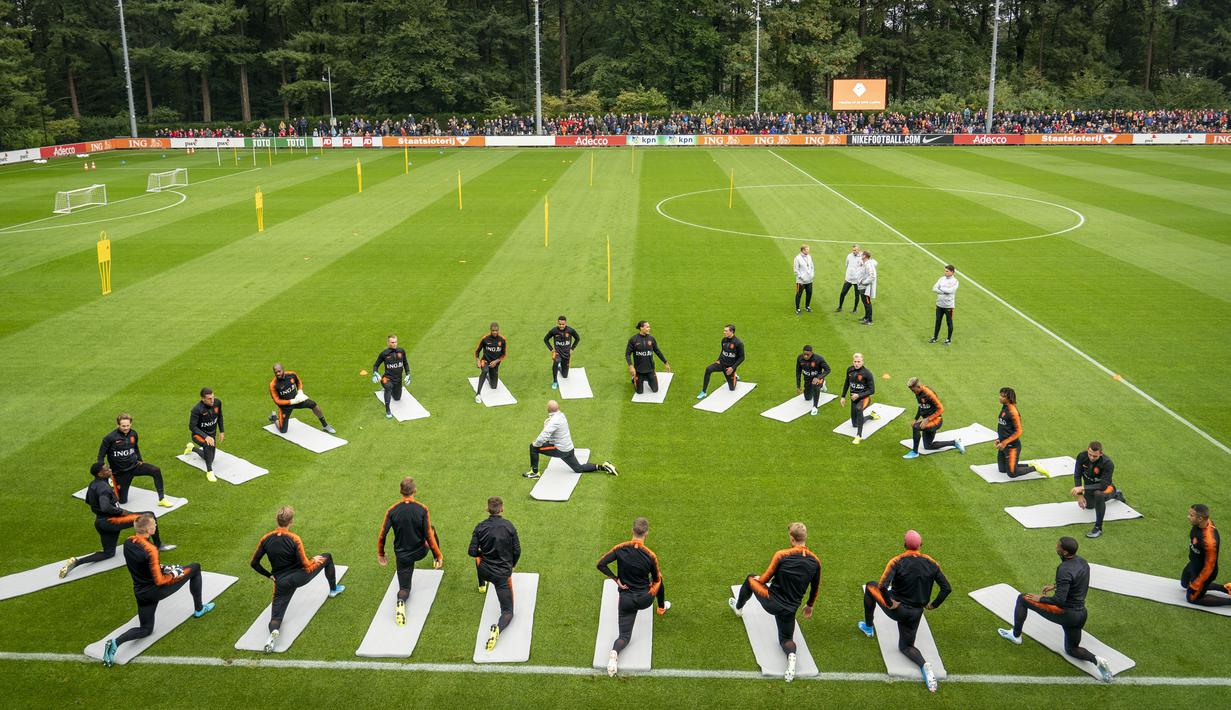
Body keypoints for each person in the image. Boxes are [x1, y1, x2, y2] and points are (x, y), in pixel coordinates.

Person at [100, 513, 213, 667]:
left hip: (140, 592)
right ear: (147, 530)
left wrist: (164, 567)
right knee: (195, 567)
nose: (156, 525)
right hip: (156, 590)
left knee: (146, 629)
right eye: (153, 524)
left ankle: (115, 642)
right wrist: (174, 573)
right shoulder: (151, 549)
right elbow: (160, 581)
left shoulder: (128, 542)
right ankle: (199, 609)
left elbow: (143, 565)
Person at [997, 537, 1113, 683]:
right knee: (1071, 649)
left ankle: (1015, 636)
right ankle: (1097, 660)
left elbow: (1059, 600)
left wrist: (1041, 598)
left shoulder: (1064, 569)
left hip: (1066, 613)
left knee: (1022, 599)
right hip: (1081, 615)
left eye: (1058, 546)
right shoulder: (1083, 562)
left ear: (1064, 552)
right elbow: (1075, 581)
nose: (1056, 546)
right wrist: (1056, 585)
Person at [857, 530, 951, 693]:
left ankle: (868, 627)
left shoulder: (897, 561)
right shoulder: (932, 563)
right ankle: (924, 666)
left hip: (898, 609)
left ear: (904, 544)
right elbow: (946, 588)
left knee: (871, 587)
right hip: (916, 613)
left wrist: (889, 603)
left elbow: (882, 586)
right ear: (921, 545)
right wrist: (933, 605)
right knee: (906, 647)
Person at [728, 522, 821, 683]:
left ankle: (738, 608)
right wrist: (809, 605)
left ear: (792, 539)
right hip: (790, 609)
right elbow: (815, 587)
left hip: (771, 601)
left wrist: (758, 579)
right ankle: (791, 658)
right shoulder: (816, 562)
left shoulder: (781, 555)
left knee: (750, 579)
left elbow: (764, 579)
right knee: (786, 640)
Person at [250, 506, 345, 653]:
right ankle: (333, 589)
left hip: (281, 582)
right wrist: (314, 559)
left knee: (276, 617)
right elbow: (306, 564)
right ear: (291, 521)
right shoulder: (294, 539)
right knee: (327, 557)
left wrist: (269, 575)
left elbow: (254, 563)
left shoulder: (265, 539)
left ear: (277, 520)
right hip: (301, 576)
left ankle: (273, 633)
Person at [60, 463, 172, 579]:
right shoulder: (103, 488)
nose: (110, 470)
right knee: (149, 516)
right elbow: (105, 507)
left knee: (108, 553)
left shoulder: (93, 485)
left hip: (101, 523)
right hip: (112, 521)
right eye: (106, 469)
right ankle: (158, 544)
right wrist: (121, 511)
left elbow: (89, 501)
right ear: (100, 474)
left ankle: (77, 562)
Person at [596, 517, 670, 677]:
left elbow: (600, 564)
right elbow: (656, 579)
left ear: (632, 531)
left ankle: (614, 654)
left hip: (626, 601)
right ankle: (661, 608)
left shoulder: (620, 548)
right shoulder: (650, 555)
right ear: (646, 533)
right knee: (660, 579)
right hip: (645, 599)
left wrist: (616, 580)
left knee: (624, 636)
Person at [378, 477, 443, 626]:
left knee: (405, 588)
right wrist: (438, 555)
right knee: (432, 530)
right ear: (414, 490)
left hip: (402, 556)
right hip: (420, 551)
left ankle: (400, 602)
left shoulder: (392, 510)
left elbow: (382, 535)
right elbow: (428, 535)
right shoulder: (422, 509)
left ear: (401, 491)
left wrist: (381, 554)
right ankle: (435, 561)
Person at [469, 496, 521, 652]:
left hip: (485, 571)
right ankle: (497, 629)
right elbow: (517, 550)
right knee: (508, 612)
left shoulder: (480, 527)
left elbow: (472, 551)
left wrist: (483, 553)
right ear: (502, 509)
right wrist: (512, 565)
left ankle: (481, 585)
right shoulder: (509, 527)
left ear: (487, 509)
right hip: (501, 575)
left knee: (479, 558)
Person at [523, 400, 617, 479]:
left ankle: (534, 473)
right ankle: (603, 466)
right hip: (569, 449)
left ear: (547, 409)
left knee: (533, 447)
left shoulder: (553, 421)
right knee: (578, 469)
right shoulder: (561, 415)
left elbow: (544, 435)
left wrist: (536, 443)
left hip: (560, 450)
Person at [97, 413, 171, 507]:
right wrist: (103, 471)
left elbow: (135, 447)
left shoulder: (133, 434)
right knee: (122, 501)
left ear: (131, 424)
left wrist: (140, 459)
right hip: (120, 472)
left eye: (128, 425)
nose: (126, 428)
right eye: (123, 426)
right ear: (118, 425)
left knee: (155, 470)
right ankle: (112, 483)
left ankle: (162, 499)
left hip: (134, 466)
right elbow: (100, 456)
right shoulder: (109, 438)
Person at [1071, 442, 1127, 539]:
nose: (1092, 458)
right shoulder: (1082, 456)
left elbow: (1103, 485)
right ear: (1087, 450)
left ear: (1101, 453)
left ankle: (1098, 528)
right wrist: (1080, 495)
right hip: (1090, 487)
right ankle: (1115, 495)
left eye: (1095, 456)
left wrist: (1083, 488)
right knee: (1089, 506)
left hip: (1105, 488)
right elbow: (1077, 475)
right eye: (1090, 455)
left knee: (1098, 494)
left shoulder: (1107, 463)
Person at [1182, 504, 1231, 607]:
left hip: (1204, 572)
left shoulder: (1209, 542)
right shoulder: (1201, 523)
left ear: (1200, 519)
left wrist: (1197, 583)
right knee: (1185, 584)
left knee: (1192, 598)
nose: (1188, 517)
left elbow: (1209, 567)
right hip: (1194, 563)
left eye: (1191, 515)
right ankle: (1226, 588)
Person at [903, 378, 965, 458]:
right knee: (928, 446)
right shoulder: (918, 393)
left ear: (918, 386)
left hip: (936, 421)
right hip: (927, 421)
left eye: (913, 390)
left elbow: (941, 409)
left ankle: (915, 452)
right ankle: (955, 443)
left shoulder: (928, 394)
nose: (913, 392)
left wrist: (927, 419)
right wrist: (916, 419)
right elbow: (921, 406)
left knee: (916, 427)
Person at [268, 363, 335, 434]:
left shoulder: (291, 374)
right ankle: (274, 418)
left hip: (297, 400)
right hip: (285, 407)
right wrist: (291, 401)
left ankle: (325, 425)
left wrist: (300, 391)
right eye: (276, 372)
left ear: (283, 370)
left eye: (279, 371)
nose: (278, 374)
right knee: (283, 431)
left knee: (313, 404)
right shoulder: (273, 385)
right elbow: (277, 401)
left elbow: (298, 381)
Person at [995, 388, 1047, 477]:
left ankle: (1034, 467)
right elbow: (1004, 427)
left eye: (1002, 396)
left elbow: (1019, 431)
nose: (1000, 397)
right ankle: (1028, 464)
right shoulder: (1004, 407)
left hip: (1012, 447)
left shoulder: (1013, 412)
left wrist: (1004, 442)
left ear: (1008, 398)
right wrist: (999, 439)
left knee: (1012, 473)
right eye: (1000, 395)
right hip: (1003, 445)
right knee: (1002, 469)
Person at [184, 388, 224, 482]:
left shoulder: (217, 403)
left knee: (209, 458)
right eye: (209, 399)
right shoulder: (196, 410)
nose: (212, 400)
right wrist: (206, 437)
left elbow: (220, 416)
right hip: (198, 435)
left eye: (213, 397)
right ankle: (209, 472)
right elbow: (192, 427)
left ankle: (192, 448)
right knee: (207, 444)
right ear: (203, 399)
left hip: (211, 436)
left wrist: (222, 431)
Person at [697, 324, 744, 399]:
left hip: (729, 367)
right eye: (724, 330)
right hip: (721, 363)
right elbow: (723, 351)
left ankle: (735, 376)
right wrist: (718, 360)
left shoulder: (738, 343)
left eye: (726, 331)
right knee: (708, 369)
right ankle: (703, 392)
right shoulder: (724, 340)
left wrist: (732, 368)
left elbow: (742, 357)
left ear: (731, 331)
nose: (724, 332)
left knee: (732, 389)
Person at [839, 353, 877, 444]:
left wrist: (859, 395)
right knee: (855, 424)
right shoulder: (849, 370)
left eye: (859, 362)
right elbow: (847, 383)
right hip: (854, 399)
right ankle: (871, 416)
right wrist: (843, 397)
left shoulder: (867, 373)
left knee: (859, 409)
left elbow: (872, 390)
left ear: (863, 362)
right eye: (855, 361)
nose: (856, 364)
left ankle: (859, 436)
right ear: (853, 361)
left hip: (864, 398)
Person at [625, 320, 670, 394]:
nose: (649, 328)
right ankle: (634, 379)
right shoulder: (633, 339)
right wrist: (631, 366)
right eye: (647, 327)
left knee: (655, 390)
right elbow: (627, 354)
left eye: (649, 327)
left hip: (650, 369)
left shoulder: (651, 339)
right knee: (639, 392)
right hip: (639, 370)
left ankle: (647, 378)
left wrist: (665, 362)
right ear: (641, 328)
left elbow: (657, 351)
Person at [372, 334, 410, 419]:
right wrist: (375, 373)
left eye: (395, 342)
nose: (394, 344)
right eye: (392, 342)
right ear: (388, 343)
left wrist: (408, 374)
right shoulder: (384, 354)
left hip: (398, 380)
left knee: (397, 398)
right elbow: (376, 365)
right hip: (387, 378)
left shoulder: (401, 351)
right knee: (388, 387)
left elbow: (405, 363)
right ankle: (388, 410)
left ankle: (391, 389)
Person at [543, 315, 581, 390]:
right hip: (557, 353)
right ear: (557, 323)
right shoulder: (554, 331)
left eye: (563, 324)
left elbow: (577, 338)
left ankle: (559, 368)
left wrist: (572, 349)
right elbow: (545, 339)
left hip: (566, 354)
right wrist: (551, 350)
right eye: (559, 324)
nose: (561, 326)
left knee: (565, 376)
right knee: (556, 361)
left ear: (565, 323)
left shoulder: (570, 330)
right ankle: (555, 381)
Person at [474, 322, 508, 403]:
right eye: (493, 330)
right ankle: (478, 394)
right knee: (485, 370)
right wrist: (478, 361)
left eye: (496, 330)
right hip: (485, 361)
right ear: (490, 330)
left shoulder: (502, 340)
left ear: (498, 330)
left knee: (494, 386)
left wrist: (496, 362)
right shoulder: (485, 339)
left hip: (494, 364)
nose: (494, 332)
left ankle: (487, 376)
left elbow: (504, 355)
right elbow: (477, 352)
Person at [795, 345, 831, 415]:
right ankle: (821, 385)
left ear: (811, 353)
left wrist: (819, 378)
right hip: (807, 379)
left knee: (815, 385)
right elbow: (798, 372)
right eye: (804, 354)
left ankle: (815, 407)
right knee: (807, 398)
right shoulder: (800, 358)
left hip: (817, 378)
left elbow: (828, 369)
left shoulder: (818, 359)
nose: (805, 356)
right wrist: (798, 386)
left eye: (807, 354)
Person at [929, 265, 958, 344]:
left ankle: (948, 339)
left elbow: (950, 291)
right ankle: (935, 337)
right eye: (945, 271)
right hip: (939, 304)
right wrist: (944, 291)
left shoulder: (955, 281)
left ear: (952, 272)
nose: (945, 272)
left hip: (949, 306)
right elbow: (934, 288)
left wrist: (940, 289)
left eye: (947, 271)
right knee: (937, 321)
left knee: (949, 322)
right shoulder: (941, 279)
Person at [835, 244, 863, 313]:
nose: (854, 251)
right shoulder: (849, 256)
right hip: (849, 279)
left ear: (859, 250)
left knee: (857, 295)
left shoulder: (862, 257)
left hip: (857, 280)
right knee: (843, 293)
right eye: (853, 250)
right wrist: (846, 277)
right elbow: (847, 266)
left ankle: (855, 309)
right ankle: (840, 307)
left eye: (855, 250)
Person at [858, 250, 878, 325]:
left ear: (864, 256)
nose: (861, 256)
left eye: (862, 254)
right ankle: (866, 317)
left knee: (867, 303)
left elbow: (872, 276)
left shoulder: (868, 264)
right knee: (864, 302)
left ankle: (869, 320)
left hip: (866, 287)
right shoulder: (865, 263)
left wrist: (864, 282)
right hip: (862, 286)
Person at [793, 245, 814, 314]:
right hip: (801, 281)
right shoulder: (797, 258)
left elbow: (812, 266)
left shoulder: (809, 256)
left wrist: (812, 275)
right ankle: (797, 309)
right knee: (799, 294)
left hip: (809, 280)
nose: (808, 251)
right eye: (807, 250)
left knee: (809, 293)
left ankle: (807, 306)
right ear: (803, 250)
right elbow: (796, 270)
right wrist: (802, 277)